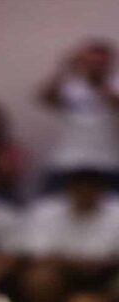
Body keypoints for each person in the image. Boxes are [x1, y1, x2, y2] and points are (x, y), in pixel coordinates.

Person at [39, 39, 119, 190]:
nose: (95, 66)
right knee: (48, 202)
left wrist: (100, 84)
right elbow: (46, 98)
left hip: (108, 161)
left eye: (100, 63)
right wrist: (63, 69)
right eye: (91, 62)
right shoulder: (70, 84)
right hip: (67, 160)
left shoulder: (116, 83)